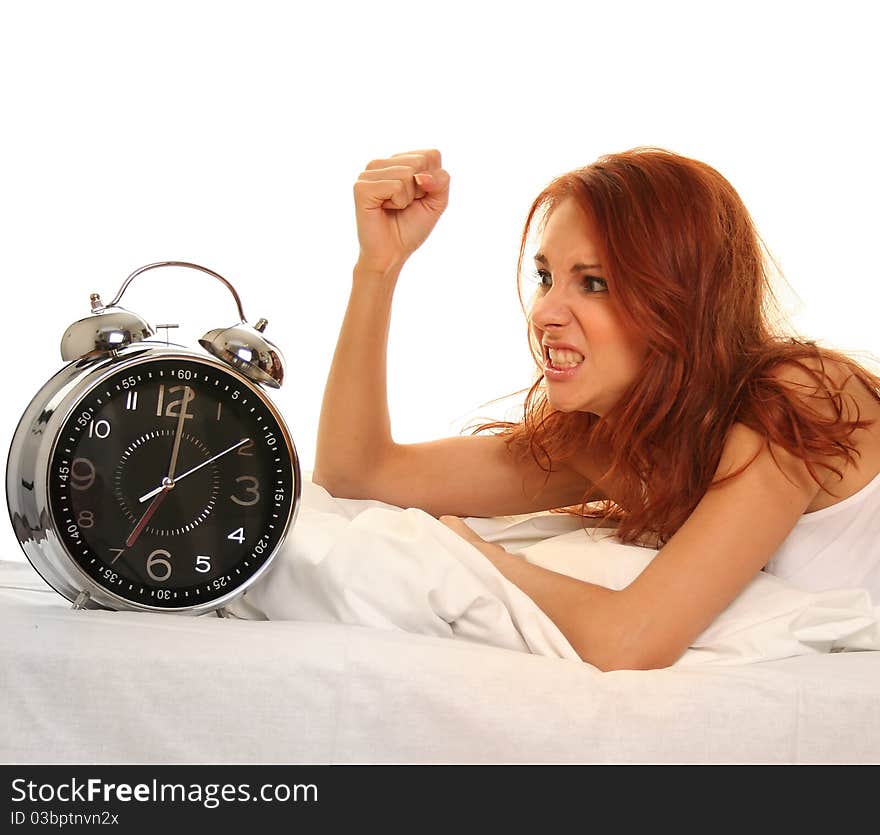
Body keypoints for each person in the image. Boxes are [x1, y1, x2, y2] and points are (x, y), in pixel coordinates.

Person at [313, 147, 880, 671]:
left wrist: (480, 560)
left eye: (594, 283)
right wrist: (378, 268)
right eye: (546, 278)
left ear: (682, 300)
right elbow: (358, 476)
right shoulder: (605, 442)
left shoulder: (802, 398)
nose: (545, 314)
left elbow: (630, 641)